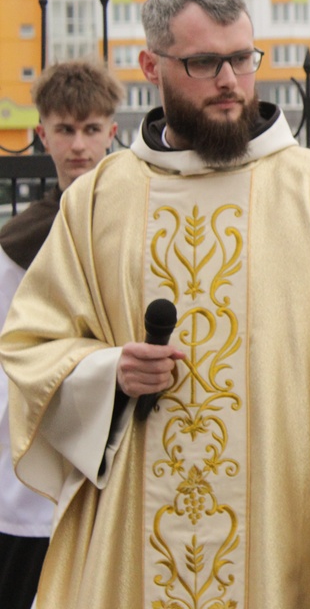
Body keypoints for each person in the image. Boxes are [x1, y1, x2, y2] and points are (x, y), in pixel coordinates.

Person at [0, 0, 310, 608]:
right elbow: (32, 343)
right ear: (151, 66)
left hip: (280, 527)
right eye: (204, 62)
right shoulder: (99, 200)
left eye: (242, 59)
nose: (230, 80)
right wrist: (107, 372)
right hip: (135, 526)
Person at [0, 60, 123, 609]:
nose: (78, 145)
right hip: (28, 466)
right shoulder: (17, 245)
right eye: (65, 129)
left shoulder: (138, 227)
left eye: (91, 129)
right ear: (42, 134)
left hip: (116, 451)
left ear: (112, 132)